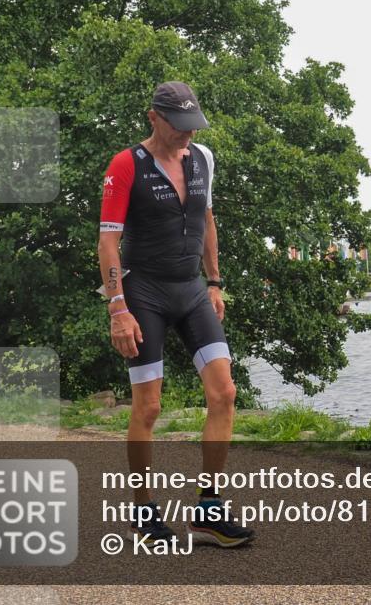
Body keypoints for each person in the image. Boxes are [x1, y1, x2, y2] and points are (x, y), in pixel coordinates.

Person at [98, 81, 254, 547]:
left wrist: (214, 281)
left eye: (193, 126)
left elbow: (206, 219)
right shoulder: (126, 165)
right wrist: (118, 308)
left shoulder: (203, 158)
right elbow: (108, 240)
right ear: (154, 117)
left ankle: (207, 510)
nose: (187, 135)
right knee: (148, 406)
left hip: (191, 291)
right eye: (179, 126)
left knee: (224, 392)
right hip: (143, 292)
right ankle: (144, 511)